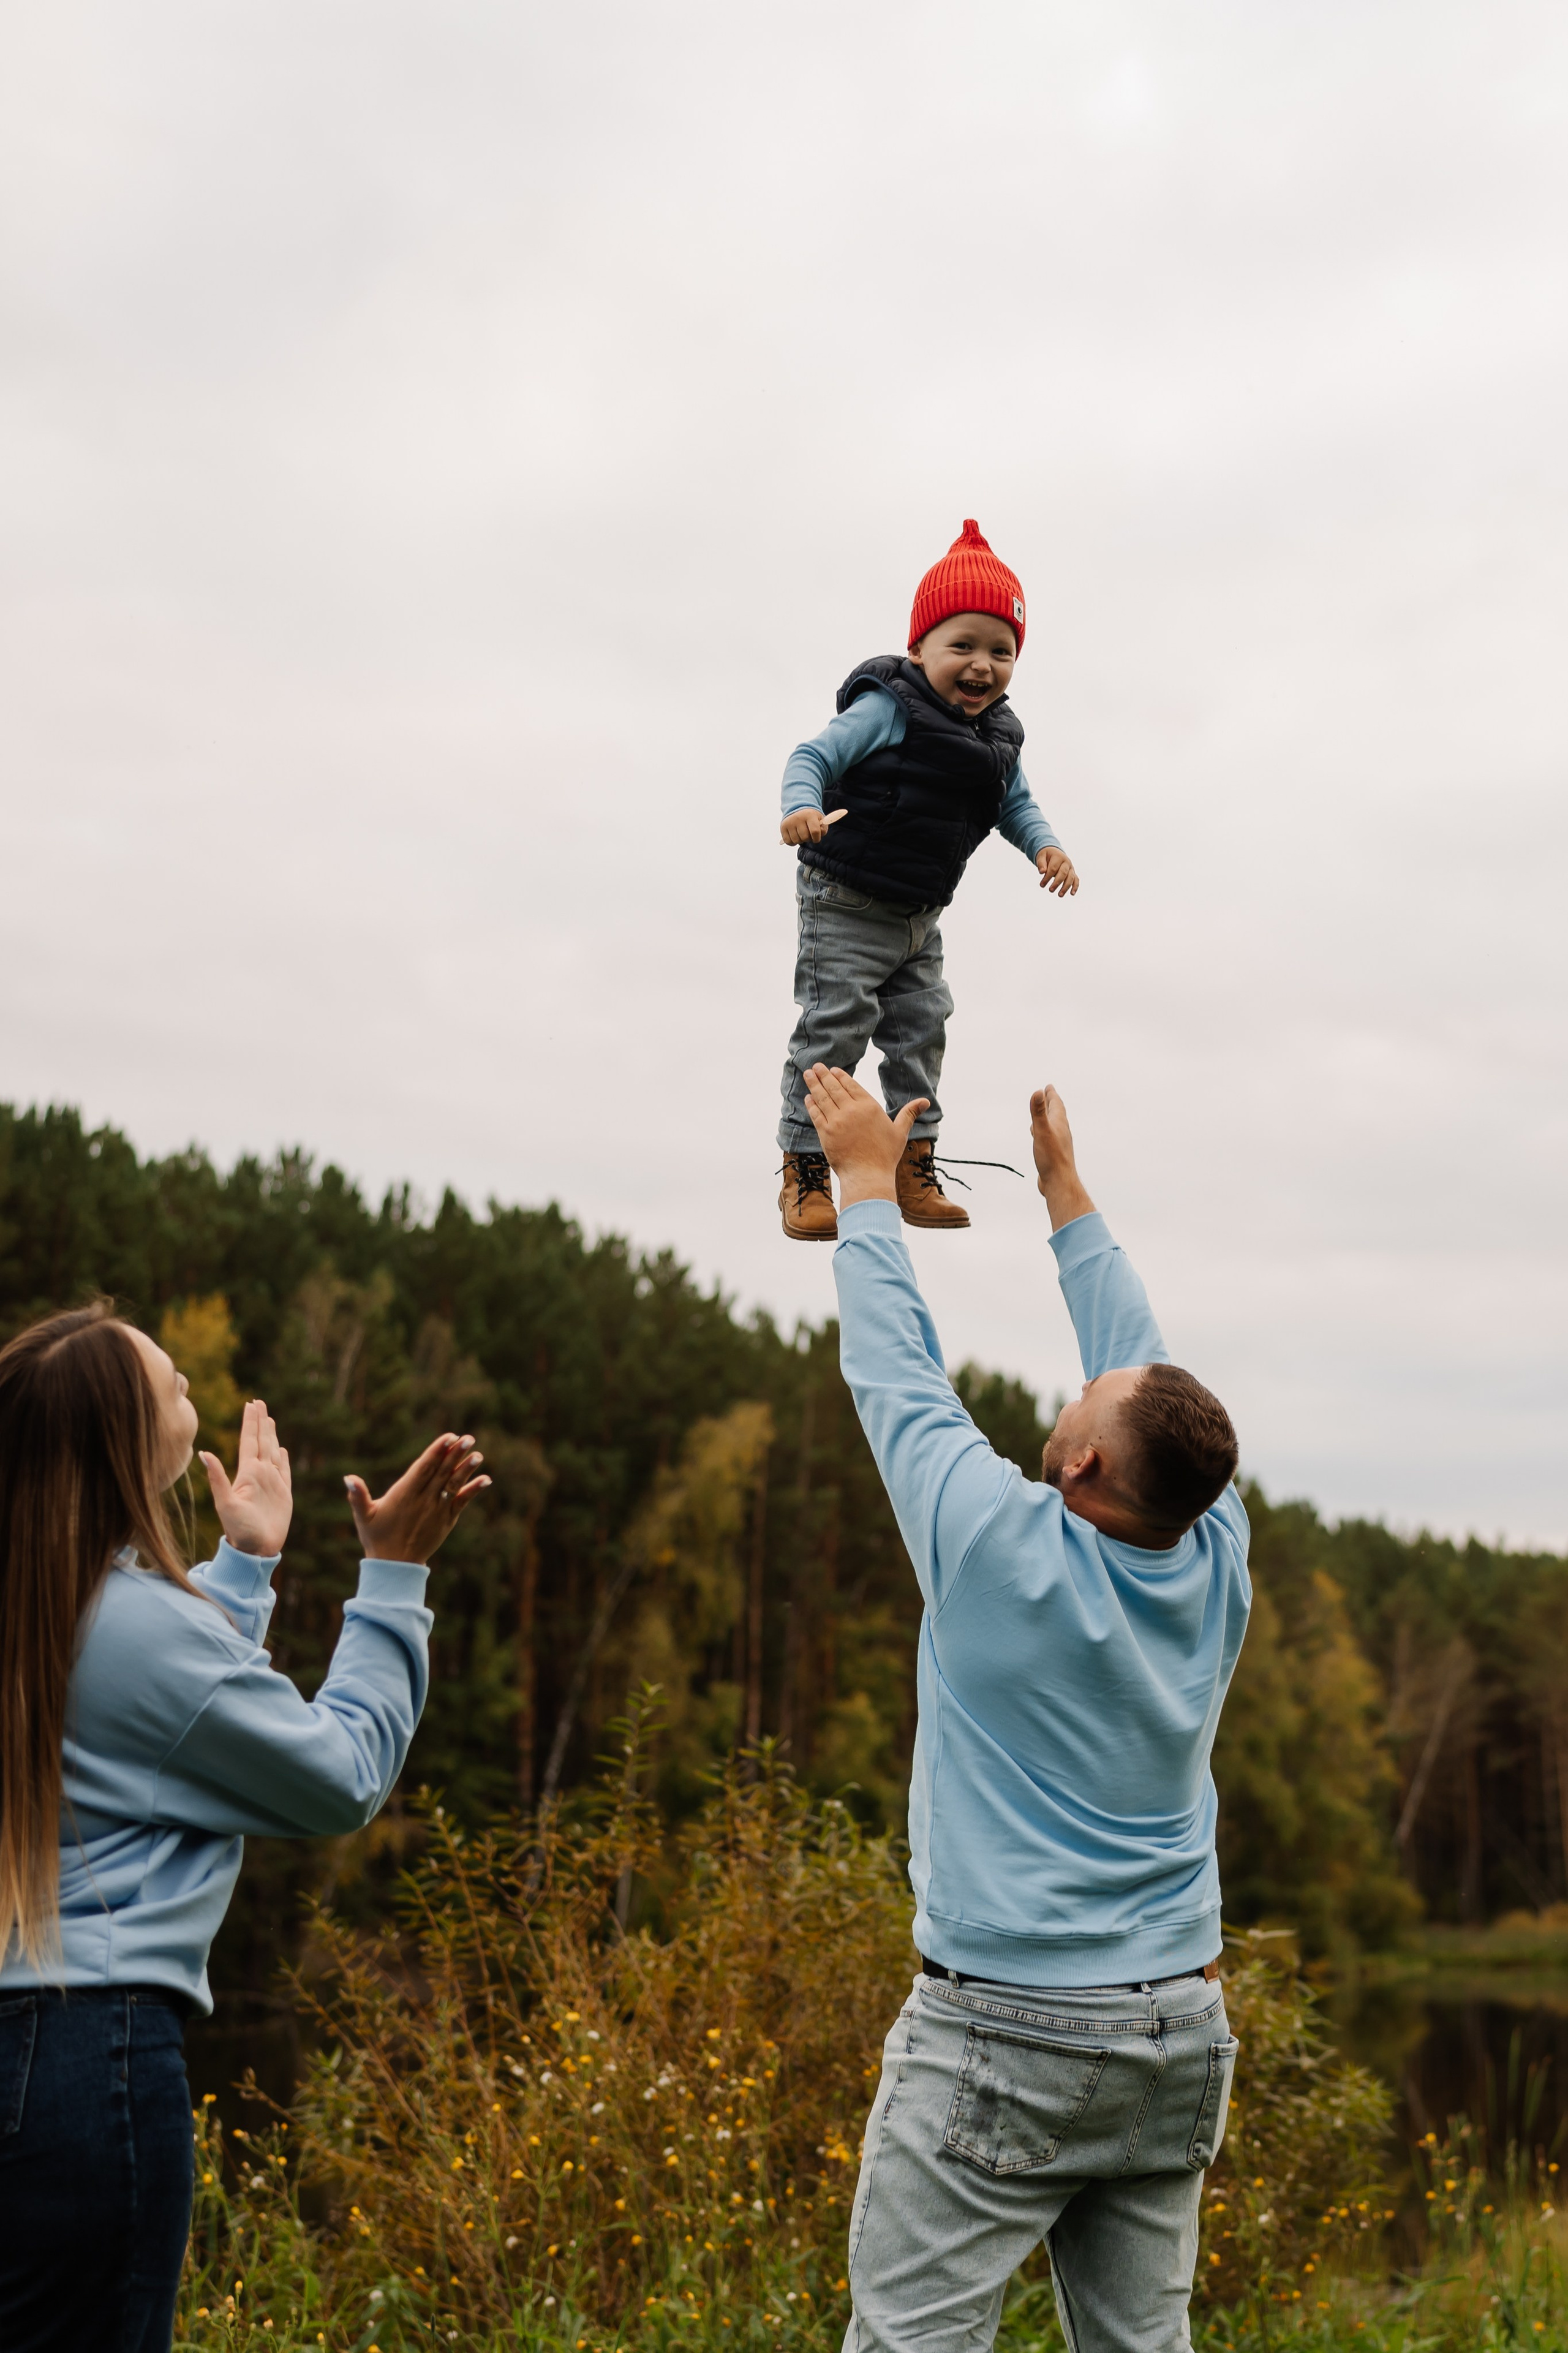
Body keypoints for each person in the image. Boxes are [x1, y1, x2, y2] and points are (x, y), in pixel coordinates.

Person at [801, 1063, 1251, 2353]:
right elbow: (1143, 1371)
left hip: (1003, 2025)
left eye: (1078, 1408)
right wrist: (1066, 1201)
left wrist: (867, 1191)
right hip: (1173, 2025)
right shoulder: (1211, 1544)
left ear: (1087, 1463)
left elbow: (893, 1371)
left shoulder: (996, 1549)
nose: (1073, 1397)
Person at [0, 1301, 489, 2353]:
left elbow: (148, 1725)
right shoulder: (130, 1624)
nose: (194, 1391)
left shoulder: (43, 1606)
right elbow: (341, 1776)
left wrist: (244, 1569)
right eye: (171, 1383)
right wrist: (395, 1578)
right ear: (127, 1442)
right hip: (93, 2064)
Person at [775, 519, 1080, 1244]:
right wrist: (800, 806)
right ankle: (805, 1166)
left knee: (922, 1029)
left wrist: (1046, 848)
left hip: (918, 916)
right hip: (844, 900)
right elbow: (812, 754)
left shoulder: (996, 739)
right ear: (919, 649)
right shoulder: (888, 705)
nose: (981, 666)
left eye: (1000, 651)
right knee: (836, 1026)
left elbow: (1016, 805)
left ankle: (914, 1160)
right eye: (962, 646)